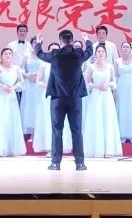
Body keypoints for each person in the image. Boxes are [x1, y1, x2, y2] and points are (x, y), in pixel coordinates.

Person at [34, 29, 93, 171]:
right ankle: (80, 163)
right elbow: (90, 51)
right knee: (76, 130)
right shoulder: (78, 54)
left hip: (58, 98)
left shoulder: (55, 54)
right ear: (72, 40)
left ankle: (56, 163)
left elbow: (39, 53)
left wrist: (39, 43)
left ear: (60, 41)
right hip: (75, 98)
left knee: (57, 130)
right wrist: (87, 40)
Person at [82, 44, 123, 157]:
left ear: (106, 54)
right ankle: (95, 149)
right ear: (95, 54)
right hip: (95, 95)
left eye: (102, 52)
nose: (100, 53)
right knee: (96, 119)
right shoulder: (91, 67)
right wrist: (96, 85)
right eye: (98, 51)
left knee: (107, 119)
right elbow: (87, 83)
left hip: (106, 96)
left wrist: (106, 84)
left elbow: (114, 83)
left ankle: (108, 149)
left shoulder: (110, 67)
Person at [0, 48, 26, 156]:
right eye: (5, 54)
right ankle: (0, 148)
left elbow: (21, 81)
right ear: (1, 56)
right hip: (1, 96)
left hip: (11, 97)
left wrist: (13, 87)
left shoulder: (16, 69)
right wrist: (2, 86)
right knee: (1, 120)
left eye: (9, 54)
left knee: (11, 120)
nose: (8, 55)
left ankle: (11, 148)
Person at [31, 43, 72, 154]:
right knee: (47, 120)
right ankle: (49, 147)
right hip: (47, 95)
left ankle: (59, 147)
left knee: (60, 120)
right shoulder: (44, 64)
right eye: (52, 50)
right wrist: (45, 85)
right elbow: (38, 81)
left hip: (61, 95)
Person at [114, 42, 132, 143]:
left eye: (127, 47)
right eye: (123, 47)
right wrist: (115, 90)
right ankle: (122, 134)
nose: (125, 48)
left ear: (130, 49)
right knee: (121, 108)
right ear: (121, 49)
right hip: (121, 86)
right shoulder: (117, 61)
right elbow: (115, 76)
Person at [20, 42, 43, 135]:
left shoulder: (43, 55)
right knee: (29, 105)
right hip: (28, 82)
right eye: (34, 43)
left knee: (38, 105)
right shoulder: (26, 56)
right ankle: (30, 131)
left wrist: (38, 76)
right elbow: (20, 69)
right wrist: (27, 76)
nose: (36, 45)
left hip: (39, 83)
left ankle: (38, 132)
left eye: (38, 43)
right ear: (31, 44)